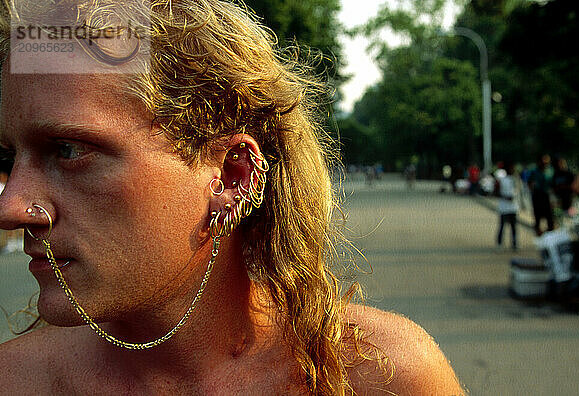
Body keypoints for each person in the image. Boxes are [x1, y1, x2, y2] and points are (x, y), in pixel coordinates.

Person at [0, 1, 462, 394]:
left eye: (69, 150)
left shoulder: (378, 377)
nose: (11, 206)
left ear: (233, 175)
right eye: (8, 157)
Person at [528, 155, 555, 236]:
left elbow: (552, 184)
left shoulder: (550, 171)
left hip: (547, 196)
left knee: (550, 218)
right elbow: (530, 183)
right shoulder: (534, 171)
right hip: (537, 196)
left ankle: (551, 236)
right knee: (537, 218)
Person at [496, 162, 520, 250]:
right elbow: (497, 192)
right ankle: (499, 243)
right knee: (502, 226)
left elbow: (518, 191)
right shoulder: (502, 180)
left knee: (513, 227)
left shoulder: (515, 179)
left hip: (513, 207)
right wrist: (505, 197)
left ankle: (514, 243)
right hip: (504, 207)